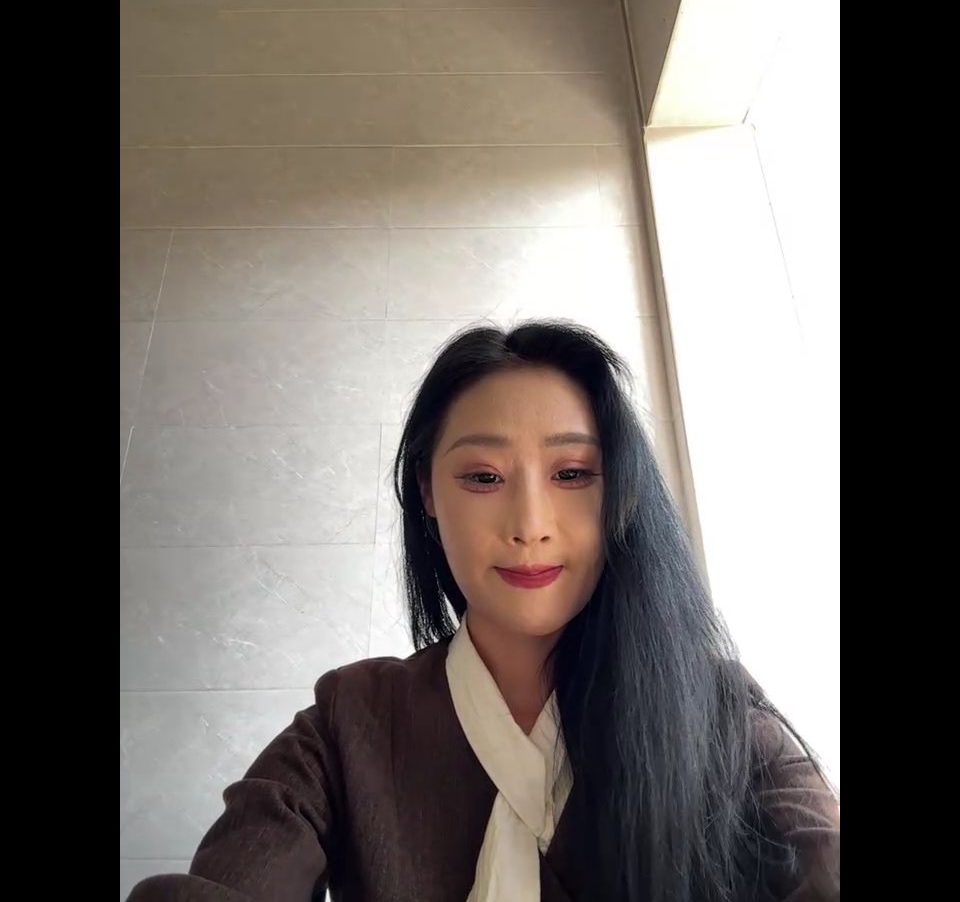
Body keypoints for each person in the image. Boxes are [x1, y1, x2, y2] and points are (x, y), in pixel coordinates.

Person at [127, 319, 840, 902]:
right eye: (483, 477)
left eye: (571, 474)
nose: (530, 525)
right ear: (428, 493)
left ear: (621, 491)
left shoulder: (717, 710)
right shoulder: (345, 726)